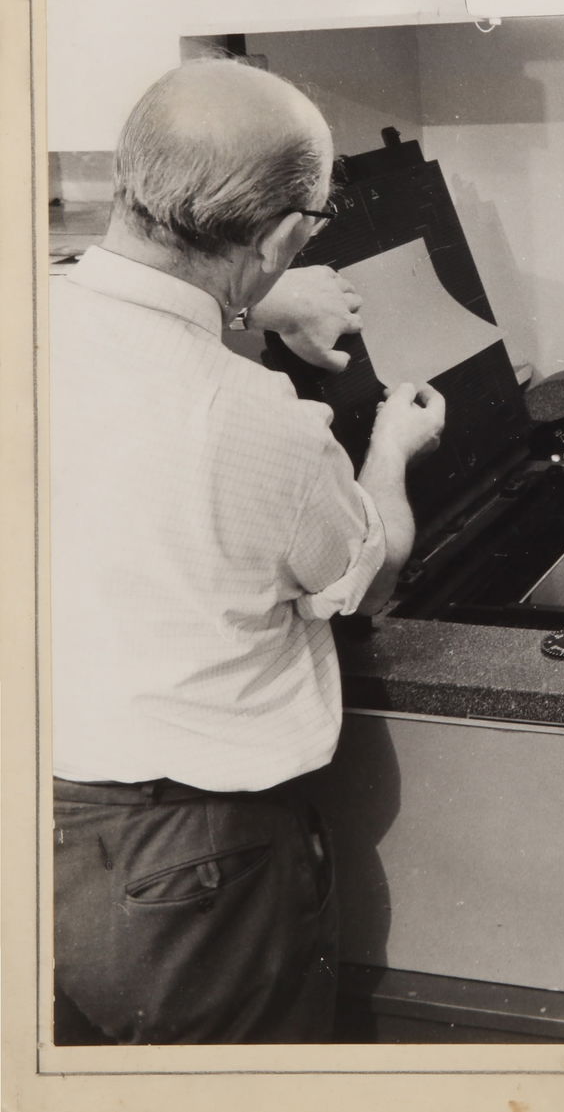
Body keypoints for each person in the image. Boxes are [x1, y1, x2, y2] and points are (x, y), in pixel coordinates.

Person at [49, 58, 446, 1044]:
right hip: (198, 873)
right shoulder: (263, 424)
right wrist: (389, 449)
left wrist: (259, 301)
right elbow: (370, 568)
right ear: (279, 235)